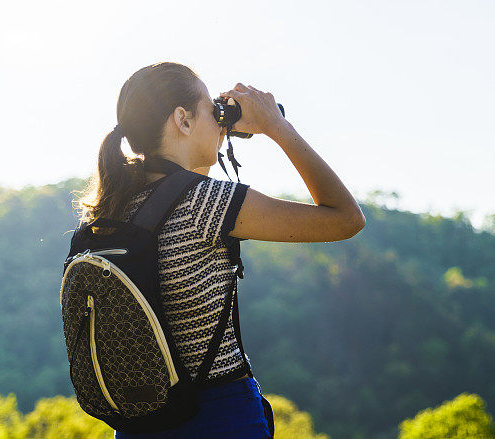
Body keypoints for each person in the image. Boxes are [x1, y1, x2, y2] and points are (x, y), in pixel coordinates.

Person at [75, 62, 365, 438]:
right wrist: (277, 127)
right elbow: (345, 218)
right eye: (209, 107)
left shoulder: (109, 209)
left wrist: (211, 129)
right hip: (218, 415)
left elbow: (174, 191)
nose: (219, 117)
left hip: (138, 422)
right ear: (182, 118)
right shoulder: (205, 204)